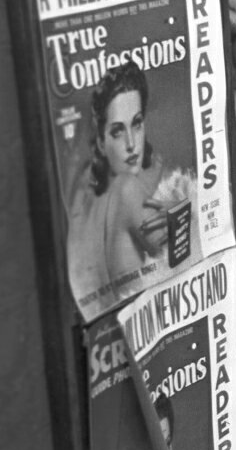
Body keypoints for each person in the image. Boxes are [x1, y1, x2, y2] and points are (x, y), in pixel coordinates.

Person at [67, 60, 169, 301]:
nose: (132, 144)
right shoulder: (128, 188)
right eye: (117, 131)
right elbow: (183, 256)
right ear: (101, 143)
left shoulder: (83, 194)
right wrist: (183, 212)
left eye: (136, 123)